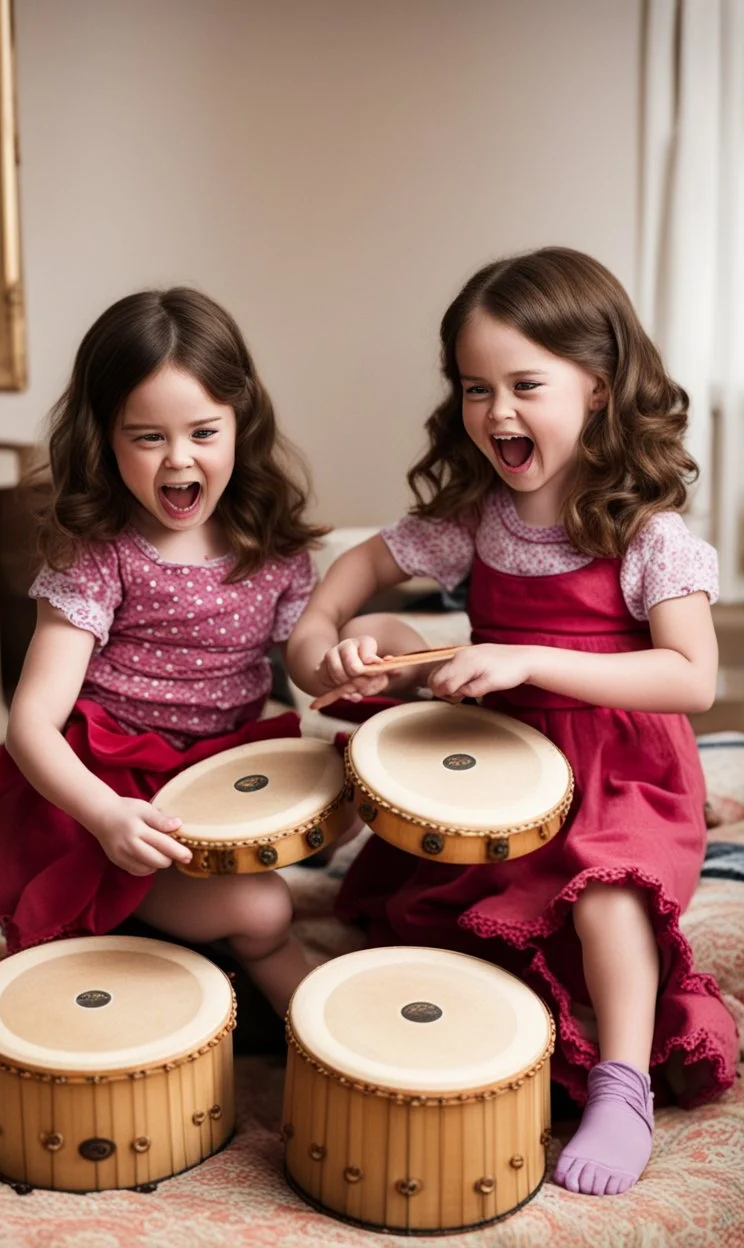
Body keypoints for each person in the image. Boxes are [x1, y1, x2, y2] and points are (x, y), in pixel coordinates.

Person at [286, 247, 739, 1196]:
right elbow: (362, 565)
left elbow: (695, 678)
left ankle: (621, 1086)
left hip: (618, 769)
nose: (497, 413)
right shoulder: (478, 515)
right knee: (444, 915)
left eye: (526, 384)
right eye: (474, 387)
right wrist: (324, 638)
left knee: (607, 897)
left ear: (601, 389)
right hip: (496, 763)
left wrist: (532, 658)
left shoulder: (647, 534)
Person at [0, 287, 337, 1017]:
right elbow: (30, 725)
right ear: (104, 439)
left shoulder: (271, 550)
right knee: (267, 914)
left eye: (204, 432)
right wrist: (105, 816)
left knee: (348, 800)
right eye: (147, 436)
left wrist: (353, 654)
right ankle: (118, 912)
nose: (179, 459)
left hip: (218, 785)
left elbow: (308, 664)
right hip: (111, 801)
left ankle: (353, 1047)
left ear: (242, 423)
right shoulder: (101, 556)